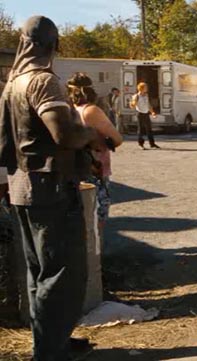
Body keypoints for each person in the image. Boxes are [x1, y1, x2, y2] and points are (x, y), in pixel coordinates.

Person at [0, 16, 100, 360]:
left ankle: (50, 341)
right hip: (51, 191)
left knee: (39, 273)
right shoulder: (42, 81)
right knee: (62, 275)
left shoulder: (13, 82)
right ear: (52, 44)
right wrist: (89, 132)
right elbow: (65, 135)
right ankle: (50, 352)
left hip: (22, 190)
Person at [67, 73, 123, 236]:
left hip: (76, 170)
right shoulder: (91, 111)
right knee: (97, 217)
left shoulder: (70, 111)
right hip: (95, 170)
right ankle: (93, 257)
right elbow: (117, 139)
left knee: (81, 217)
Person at [130, 82, 159, 150]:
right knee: (141, 130)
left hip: (146, 113)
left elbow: (148, 105)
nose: (147, 88)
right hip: (140, 114)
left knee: (149, 129)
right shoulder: (137, 96)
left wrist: (152, 112)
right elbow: (133, 105)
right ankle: (141, 144)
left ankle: (152, 144)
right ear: (141, 88)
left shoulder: (146, 95)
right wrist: (132, 103)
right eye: (145, 87)